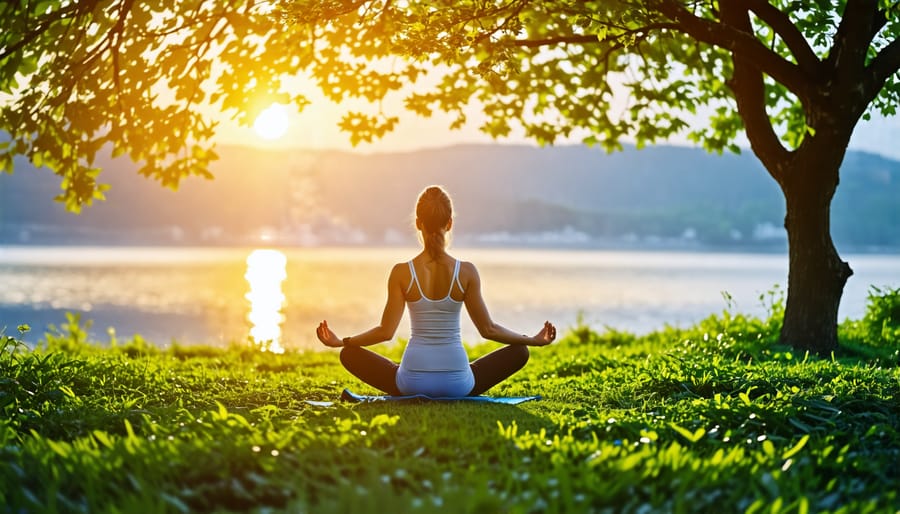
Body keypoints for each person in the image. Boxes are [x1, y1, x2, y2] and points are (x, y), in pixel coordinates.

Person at [316, 185, 557, 397]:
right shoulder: (466, 272)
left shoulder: (401, 272)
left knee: (349, 354)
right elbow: (488, 329)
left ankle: (408, 370)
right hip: (459, 384)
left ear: (418, 223)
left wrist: (342, 341)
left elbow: (385, 332)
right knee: (520, 352)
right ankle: (453, 374)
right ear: (450, 223)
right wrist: (532, 340)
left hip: (410, 383)